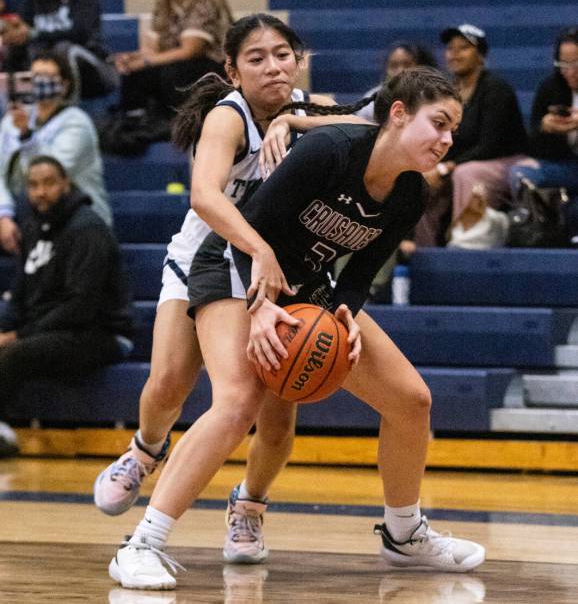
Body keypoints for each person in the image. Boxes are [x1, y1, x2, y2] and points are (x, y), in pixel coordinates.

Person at [107, 67, 486, 590]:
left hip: (304, 284)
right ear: (398, 115)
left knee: (411, 399)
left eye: (453, 131)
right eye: (438, 124)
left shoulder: (409, 195)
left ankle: (404, 534)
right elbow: (253, 225)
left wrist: (346, 313)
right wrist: (259, 307)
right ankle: (142, 544)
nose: (446, 140)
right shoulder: (332, 150)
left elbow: (357, 274)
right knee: (238, 401)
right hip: (234, 264)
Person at [94, 14, 365, 562]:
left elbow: (375, 129)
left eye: (282, 54)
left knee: (280, 406)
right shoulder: (228, 116)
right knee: (170, 381)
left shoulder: (313, 104)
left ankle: (249, 509)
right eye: (257, 58)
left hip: (282, 270)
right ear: (233, 70)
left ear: (298, 59)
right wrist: (258, 247)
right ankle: (145, 451)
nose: (273, 66)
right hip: (208, 258)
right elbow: (204, 197)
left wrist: (301, 124)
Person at [0, 155, 132, 457]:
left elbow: (81, 305)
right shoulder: (33, 227)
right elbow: (19, 292)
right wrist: (7, 326)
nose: (40, 192)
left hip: (100, 333)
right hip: (53, 329)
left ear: (66, 184)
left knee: (16, 353)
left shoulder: (87, 229)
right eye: (33, 185)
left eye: (48, 183)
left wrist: (17, 336)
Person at [414, 24, 528, 247]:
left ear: (481, 56)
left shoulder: (496, 89)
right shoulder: (446, 93)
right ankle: (423, 251)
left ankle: (465, 246)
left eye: (463, 47)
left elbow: (490, 145)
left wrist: (445, 168)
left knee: (467, 174)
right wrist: (433, 167)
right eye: (450, 48)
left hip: (505, 161)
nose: (454, 53)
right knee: (420, 179)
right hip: (463, 161)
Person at [0, 51, 111, 254]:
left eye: (48, 77)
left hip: (72, 215)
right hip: (18, 213)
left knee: (32, 196)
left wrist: (26, 136)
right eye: (34, 77)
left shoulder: (77, 122)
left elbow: (46, 178)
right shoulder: (11, 120)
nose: (40, 82)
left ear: (65, 84)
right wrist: (3, 215)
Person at [114, 0, 233, 120]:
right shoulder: (163, 2)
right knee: (134, 72)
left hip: (213, 67)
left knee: (173, 72)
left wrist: (145, 61)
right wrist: (132, 59)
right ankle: (133, 122)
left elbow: (190, 50)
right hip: (177, 64)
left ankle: (178, 121)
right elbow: (152, 49)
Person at [2, 0, 117, 100]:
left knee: (63, 49)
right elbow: (23, 32)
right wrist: (14, 34)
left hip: (95, 69)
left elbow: (80, 33)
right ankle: (20, 105)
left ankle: (64, 107)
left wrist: (34, 34)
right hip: (51, 71)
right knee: (23, 48)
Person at [508, 27, 578, 196]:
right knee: (520, 173)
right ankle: (531, 218)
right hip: (565, 166)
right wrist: (545, 128)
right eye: (563, 65)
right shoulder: (550, 87)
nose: (570, 72)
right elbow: (533, 145)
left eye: (576, 64)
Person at [357, 40, 437, 123]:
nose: (400, 71)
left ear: (422, 67)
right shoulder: (372, 100)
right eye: (393, 66)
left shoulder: (434, 96)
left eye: (407, 64)